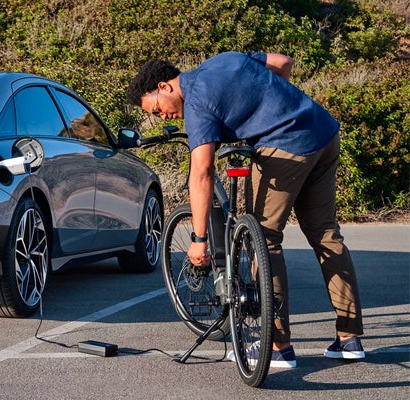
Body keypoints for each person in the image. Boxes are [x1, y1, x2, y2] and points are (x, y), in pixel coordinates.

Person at [126, 51, 365, 368]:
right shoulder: (225, 60)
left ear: (164, 86)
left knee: (262, 239)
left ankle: (278, 346)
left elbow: (202, 172)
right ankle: (350, 339)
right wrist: (274, 105)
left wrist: (199, 240)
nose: (162, 117)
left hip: (286, 147)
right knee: (326, 236)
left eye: (157, 109)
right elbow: (284, 63)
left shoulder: (197, 104)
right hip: (322, 131)